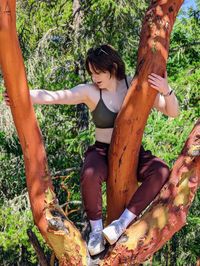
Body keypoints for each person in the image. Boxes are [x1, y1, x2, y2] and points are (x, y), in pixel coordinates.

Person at [3, 44, 179, 256]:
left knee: (160, 171)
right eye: (91, 73)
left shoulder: (134, 85)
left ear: (113, 67)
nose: (95, 78)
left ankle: (122, 223)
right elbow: (56, 96)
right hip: (101, 152)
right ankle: (96, 231)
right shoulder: (90, 92)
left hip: (134, 152)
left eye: (98, 72)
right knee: (90, 173)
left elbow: (173, 112)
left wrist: (166, 90)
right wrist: (20, 93)